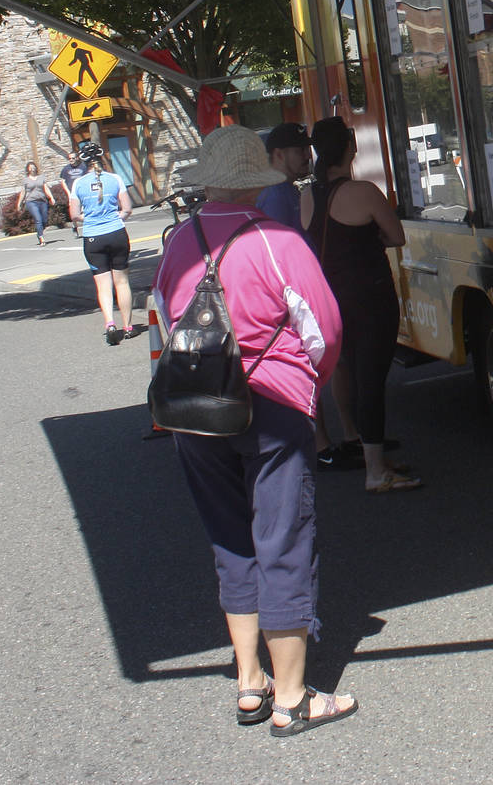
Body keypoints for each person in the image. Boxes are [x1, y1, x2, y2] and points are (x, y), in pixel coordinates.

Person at [151, 124, 353, 736]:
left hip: (196, 410)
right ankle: (292, 697)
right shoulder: (276, 240)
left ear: (209, 181)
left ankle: (248, 682)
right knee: (282, 539)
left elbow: (162, 319)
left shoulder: (177, 241)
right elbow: (325, 331)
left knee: (230, 541)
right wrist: (307, 390)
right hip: (271, 408)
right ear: (256, 180)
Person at [302, 116, 419, 492]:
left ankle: (370, 453)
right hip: (369, 296)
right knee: (371, 382)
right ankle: (375, 470)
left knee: (349, 372)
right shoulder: (364, 192)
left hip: (328, 299)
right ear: (350, 147)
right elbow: (396, 236)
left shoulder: (308, 195)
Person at [67, 140, 135, 345]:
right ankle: (129, 326)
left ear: (83, 162)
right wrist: (117, 217)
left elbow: (74, 215)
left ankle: (110, 323)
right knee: (122, 282)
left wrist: (90, 219)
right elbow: (127, 209)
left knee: (103, 286)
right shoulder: (115, 179)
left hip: (93, 237)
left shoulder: (78, 184)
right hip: (116, 233)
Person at [257, 122, 310, 229]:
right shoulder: (274, 197)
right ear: (279, 154)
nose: (308, 155)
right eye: (300, 150)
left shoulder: (284, 189)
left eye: (307, 149)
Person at [20, 161, 55, 246]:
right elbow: (23, 192)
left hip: (42, 201)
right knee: (38, 219)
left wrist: (51, 197)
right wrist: (19, 203)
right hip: (31, 201)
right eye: (30, 167)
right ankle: (41, 237)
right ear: (28, 169)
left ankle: (39, 232)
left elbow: (45, 188)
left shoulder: (41, 178)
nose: (32, 168)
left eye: (33, 167)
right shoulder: (26, 180)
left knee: (44, 220)